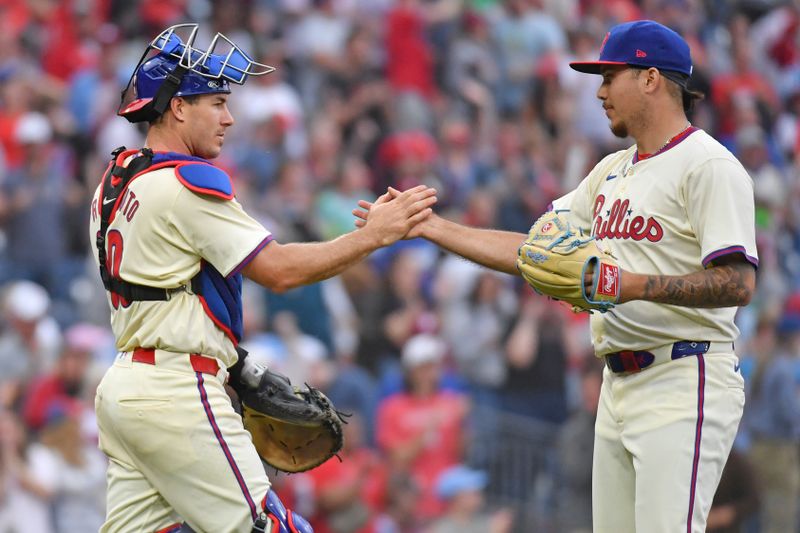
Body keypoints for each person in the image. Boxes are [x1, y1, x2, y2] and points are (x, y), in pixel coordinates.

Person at [356, 19, 757, 532]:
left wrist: (628, 284)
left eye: (611, 76)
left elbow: (737, 284)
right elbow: (535, 250)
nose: (600, 91)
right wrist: (433, 228)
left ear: (651, 79)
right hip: (617, 382)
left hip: (684, 373)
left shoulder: (708, 166)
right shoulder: (610, 171)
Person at [89, 24, 436, 533]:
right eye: (216, 102)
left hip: (125, 388)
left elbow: (168, 293)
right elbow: (279, 270)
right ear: (179, 107)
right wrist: (373, 236)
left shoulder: (114, 182)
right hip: (177, 389)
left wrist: (235, 364)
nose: (230, 118)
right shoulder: (186, 181)